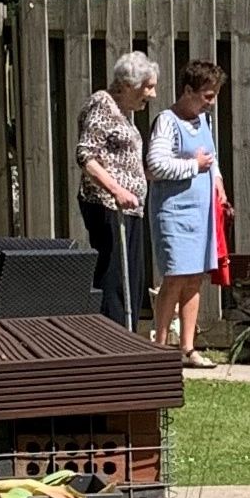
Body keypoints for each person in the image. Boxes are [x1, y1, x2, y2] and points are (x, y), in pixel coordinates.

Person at [147, 58, 227, 366]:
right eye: (207, 96)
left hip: (200, 214)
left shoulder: (203, 120)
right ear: (187, 91)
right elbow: (154, 166)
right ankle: (160, 348)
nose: (212, 102)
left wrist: (217, 182)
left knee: (195, 278)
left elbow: (212, 158)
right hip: (174, 214)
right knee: (176, 278)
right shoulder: (167, 121)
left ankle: (187, 349)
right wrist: (194, 166)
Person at [76, 51, 157, 328]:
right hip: (109, 206)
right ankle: (113, 342)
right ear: (127, 84)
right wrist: (117, 191)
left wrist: (143, 177)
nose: (153, 94)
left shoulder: (123, 114)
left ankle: (128, 340)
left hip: (130, 208)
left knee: (131, 280)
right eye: (148, 85)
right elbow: (86, 156)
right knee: (114, 279)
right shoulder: (103, 104)